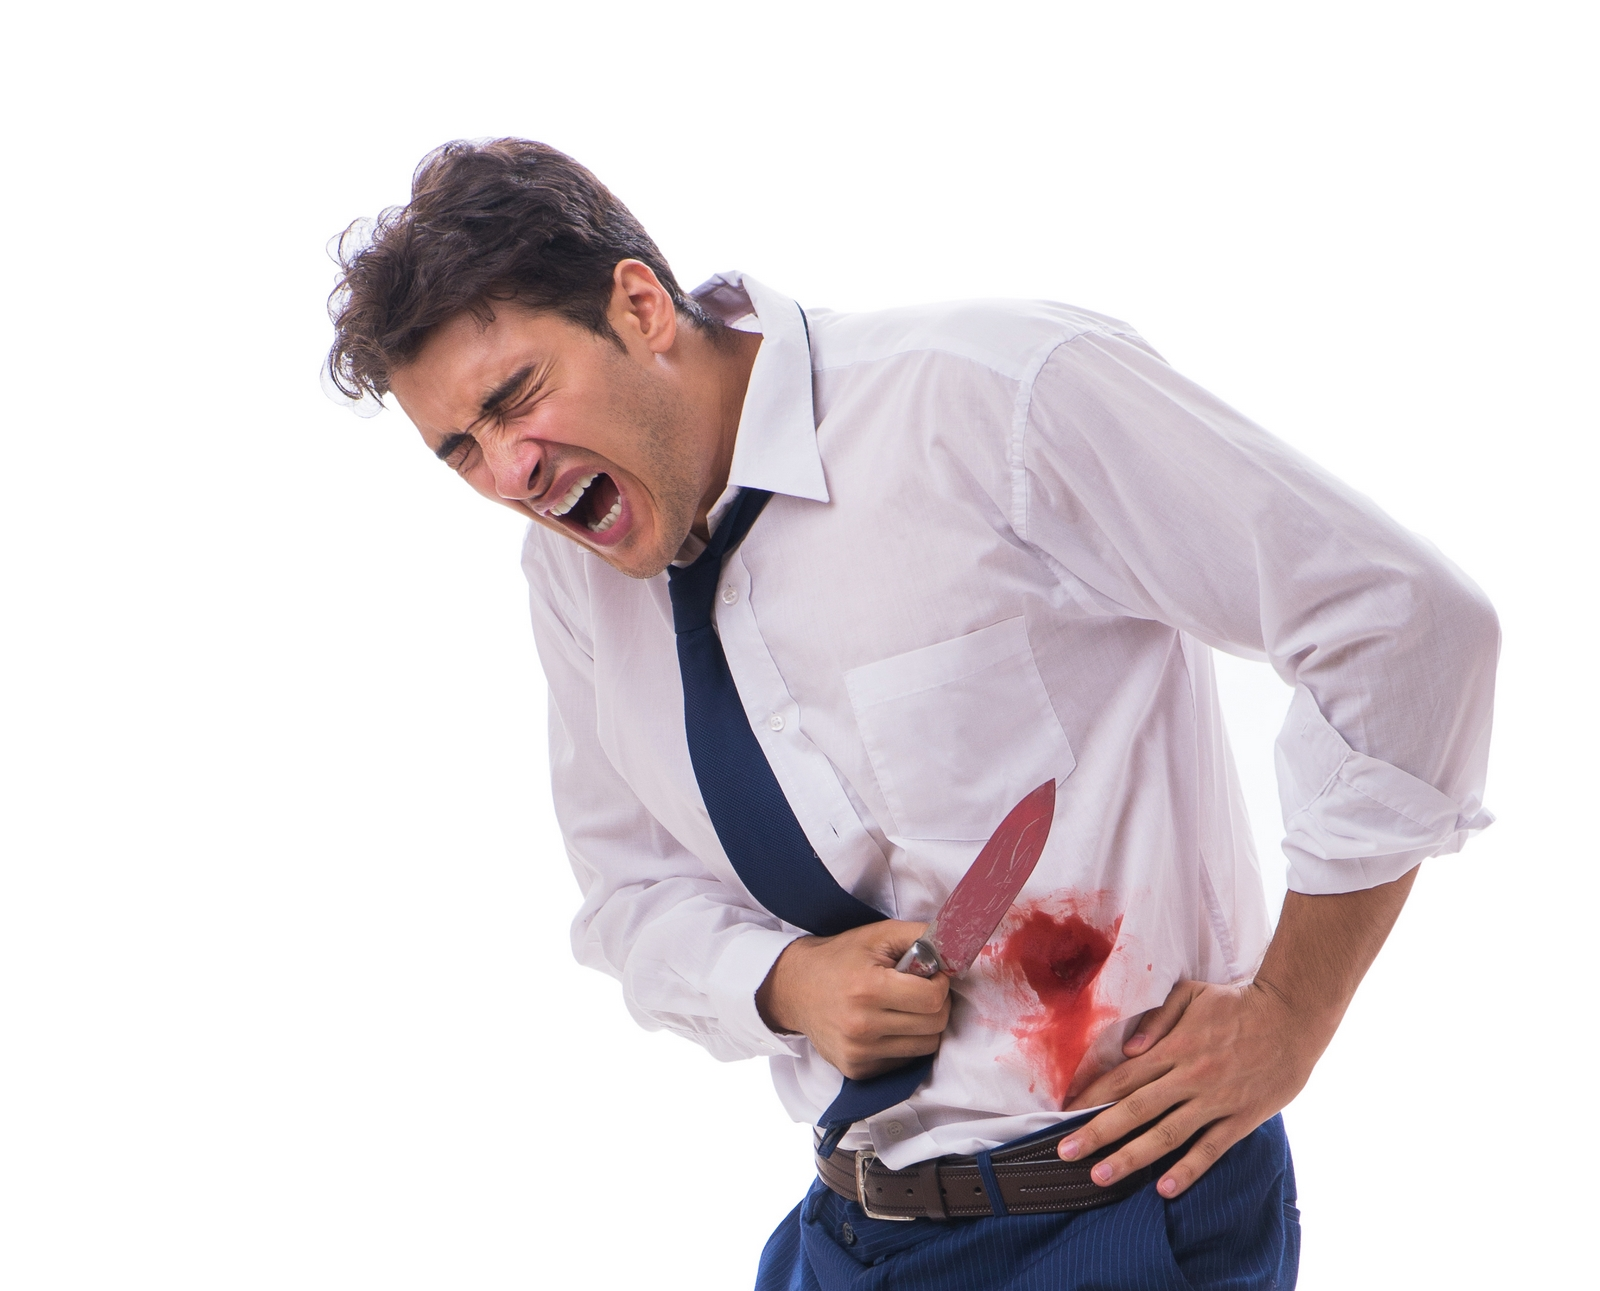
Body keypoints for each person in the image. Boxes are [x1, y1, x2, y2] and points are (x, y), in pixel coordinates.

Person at [324, 138, 1497, 1290]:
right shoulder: (575, 581)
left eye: (515, 397)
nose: (508, 474)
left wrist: (1293, 1009)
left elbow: (1401, 624)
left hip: (1117, 1212)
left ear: (637, 306)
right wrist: (788, 982)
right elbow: (628, 894)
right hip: (849, 1225)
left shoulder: (989, 396)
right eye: (460, 452)